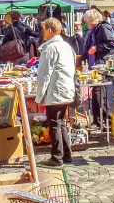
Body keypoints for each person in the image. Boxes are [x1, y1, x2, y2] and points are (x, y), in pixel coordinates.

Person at [32, 18, 80, 167]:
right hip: (66, 90)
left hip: (56, 92)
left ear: (50, 31)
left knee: (54, 124)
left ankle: (57, 157)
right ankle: (66, 155)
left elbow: (44, 74)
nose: (42, 32)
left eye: (44, 29)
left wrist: (39, 96)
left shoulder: (51, 48)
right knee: (61, 124)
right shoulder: (66, 46)